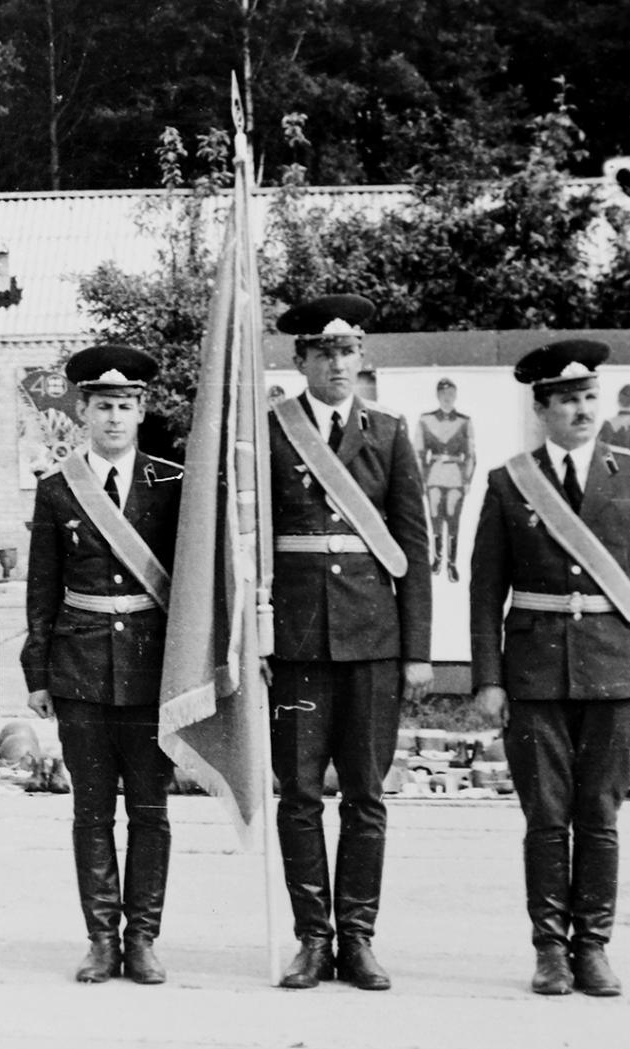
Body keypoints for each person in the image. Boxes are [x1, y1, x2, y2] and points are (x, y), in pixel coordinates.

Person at [468, 339, 630, 998]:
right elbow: (486, 589)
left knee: (600, 815)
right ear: (542, 410)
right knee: (546, 817)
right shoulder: (509, 482)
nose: (583, 410)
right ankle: (549, 951)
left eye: (590, 397)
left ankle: (593, 947)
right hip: (534, 674)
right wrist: (489, 678)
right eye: (567, 401)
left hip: (615, 670)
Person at [266, 294, 434, 991]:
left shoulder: (388, 433)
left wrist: (417, 650)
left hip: (372, 639)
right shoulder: (271, 431)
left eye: (348, 350)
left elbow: (413, 545)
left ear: (361, 357)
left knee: (366, 796)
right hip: (297, 642)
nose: (338, 364)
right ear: (300, 359)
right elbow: (247, 541)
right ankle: (313, 938)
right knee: (300, 796)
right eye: (324, 352)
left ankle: (359, 938)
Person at [22, 345, 183, 985]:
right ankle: (100, 940)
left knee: (149, 809)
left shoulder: (173, 484)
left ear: (141, 411)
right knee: (91, 811)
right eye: (102, 406)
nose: (114, 417)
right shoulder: (57, 489)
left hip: (150, 669)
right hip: (81, 664)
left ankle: (141, 939)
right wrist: (38, 673)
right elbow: (42, 588)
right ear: (82, 412)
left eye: (125, 405)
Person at [417, 378, 477, 582]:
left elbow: (470, 454)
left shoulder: (464, 421)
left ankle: (451, 564)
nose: (447, 398)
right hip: (433, 474)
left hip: (455, 476)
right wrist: (421, 479)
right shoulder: (426, 420)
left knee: (452, 518)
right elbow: (418, 452)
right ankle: (437, 559)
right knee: (435, 516)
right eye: (443, 394)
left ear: (455, 396)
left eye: (451, 394)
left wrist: (467, 479)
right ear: (437, 396)